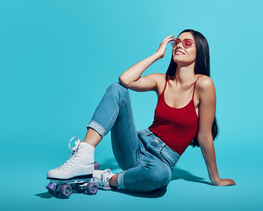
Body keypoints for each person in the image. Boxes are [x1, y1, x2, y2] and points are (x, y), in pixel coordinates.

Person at [46, 29, 236, 192]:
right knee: (117, 89)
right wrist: (157, 54)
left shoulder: (204, 84)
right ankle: (84, 156)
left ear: (199, 51)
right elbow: (125, 80)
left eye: (187, 43)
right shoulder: (161, 80)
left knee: (162, 176)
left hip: (161, 161)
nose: (179, 46)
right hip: (134, 146)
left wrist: (215, 179)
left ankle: (105, 178)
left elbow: (204, 136)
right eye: (176, 42)